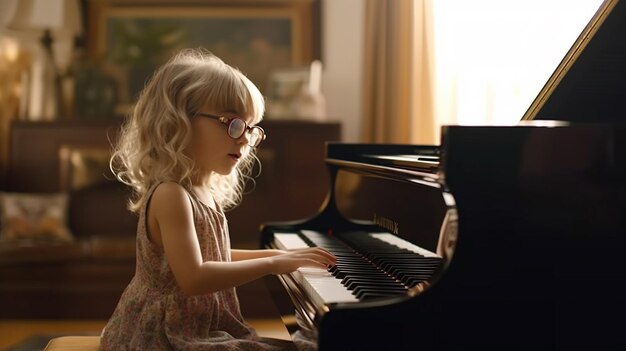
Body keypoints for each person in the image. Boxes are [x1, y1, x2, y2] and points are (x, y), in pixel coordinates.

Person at [100, 48, 335, 351]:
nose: (244, 140)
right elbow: (195, 277)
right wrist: (276, 263)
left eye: (251, 129)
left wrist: (281, 257)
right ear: (178, 121)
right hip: (163, 337)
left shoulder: (201, 191)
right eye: (233, 123)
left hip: (197, 328)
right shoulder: (171, 195)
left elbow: (215, 256)